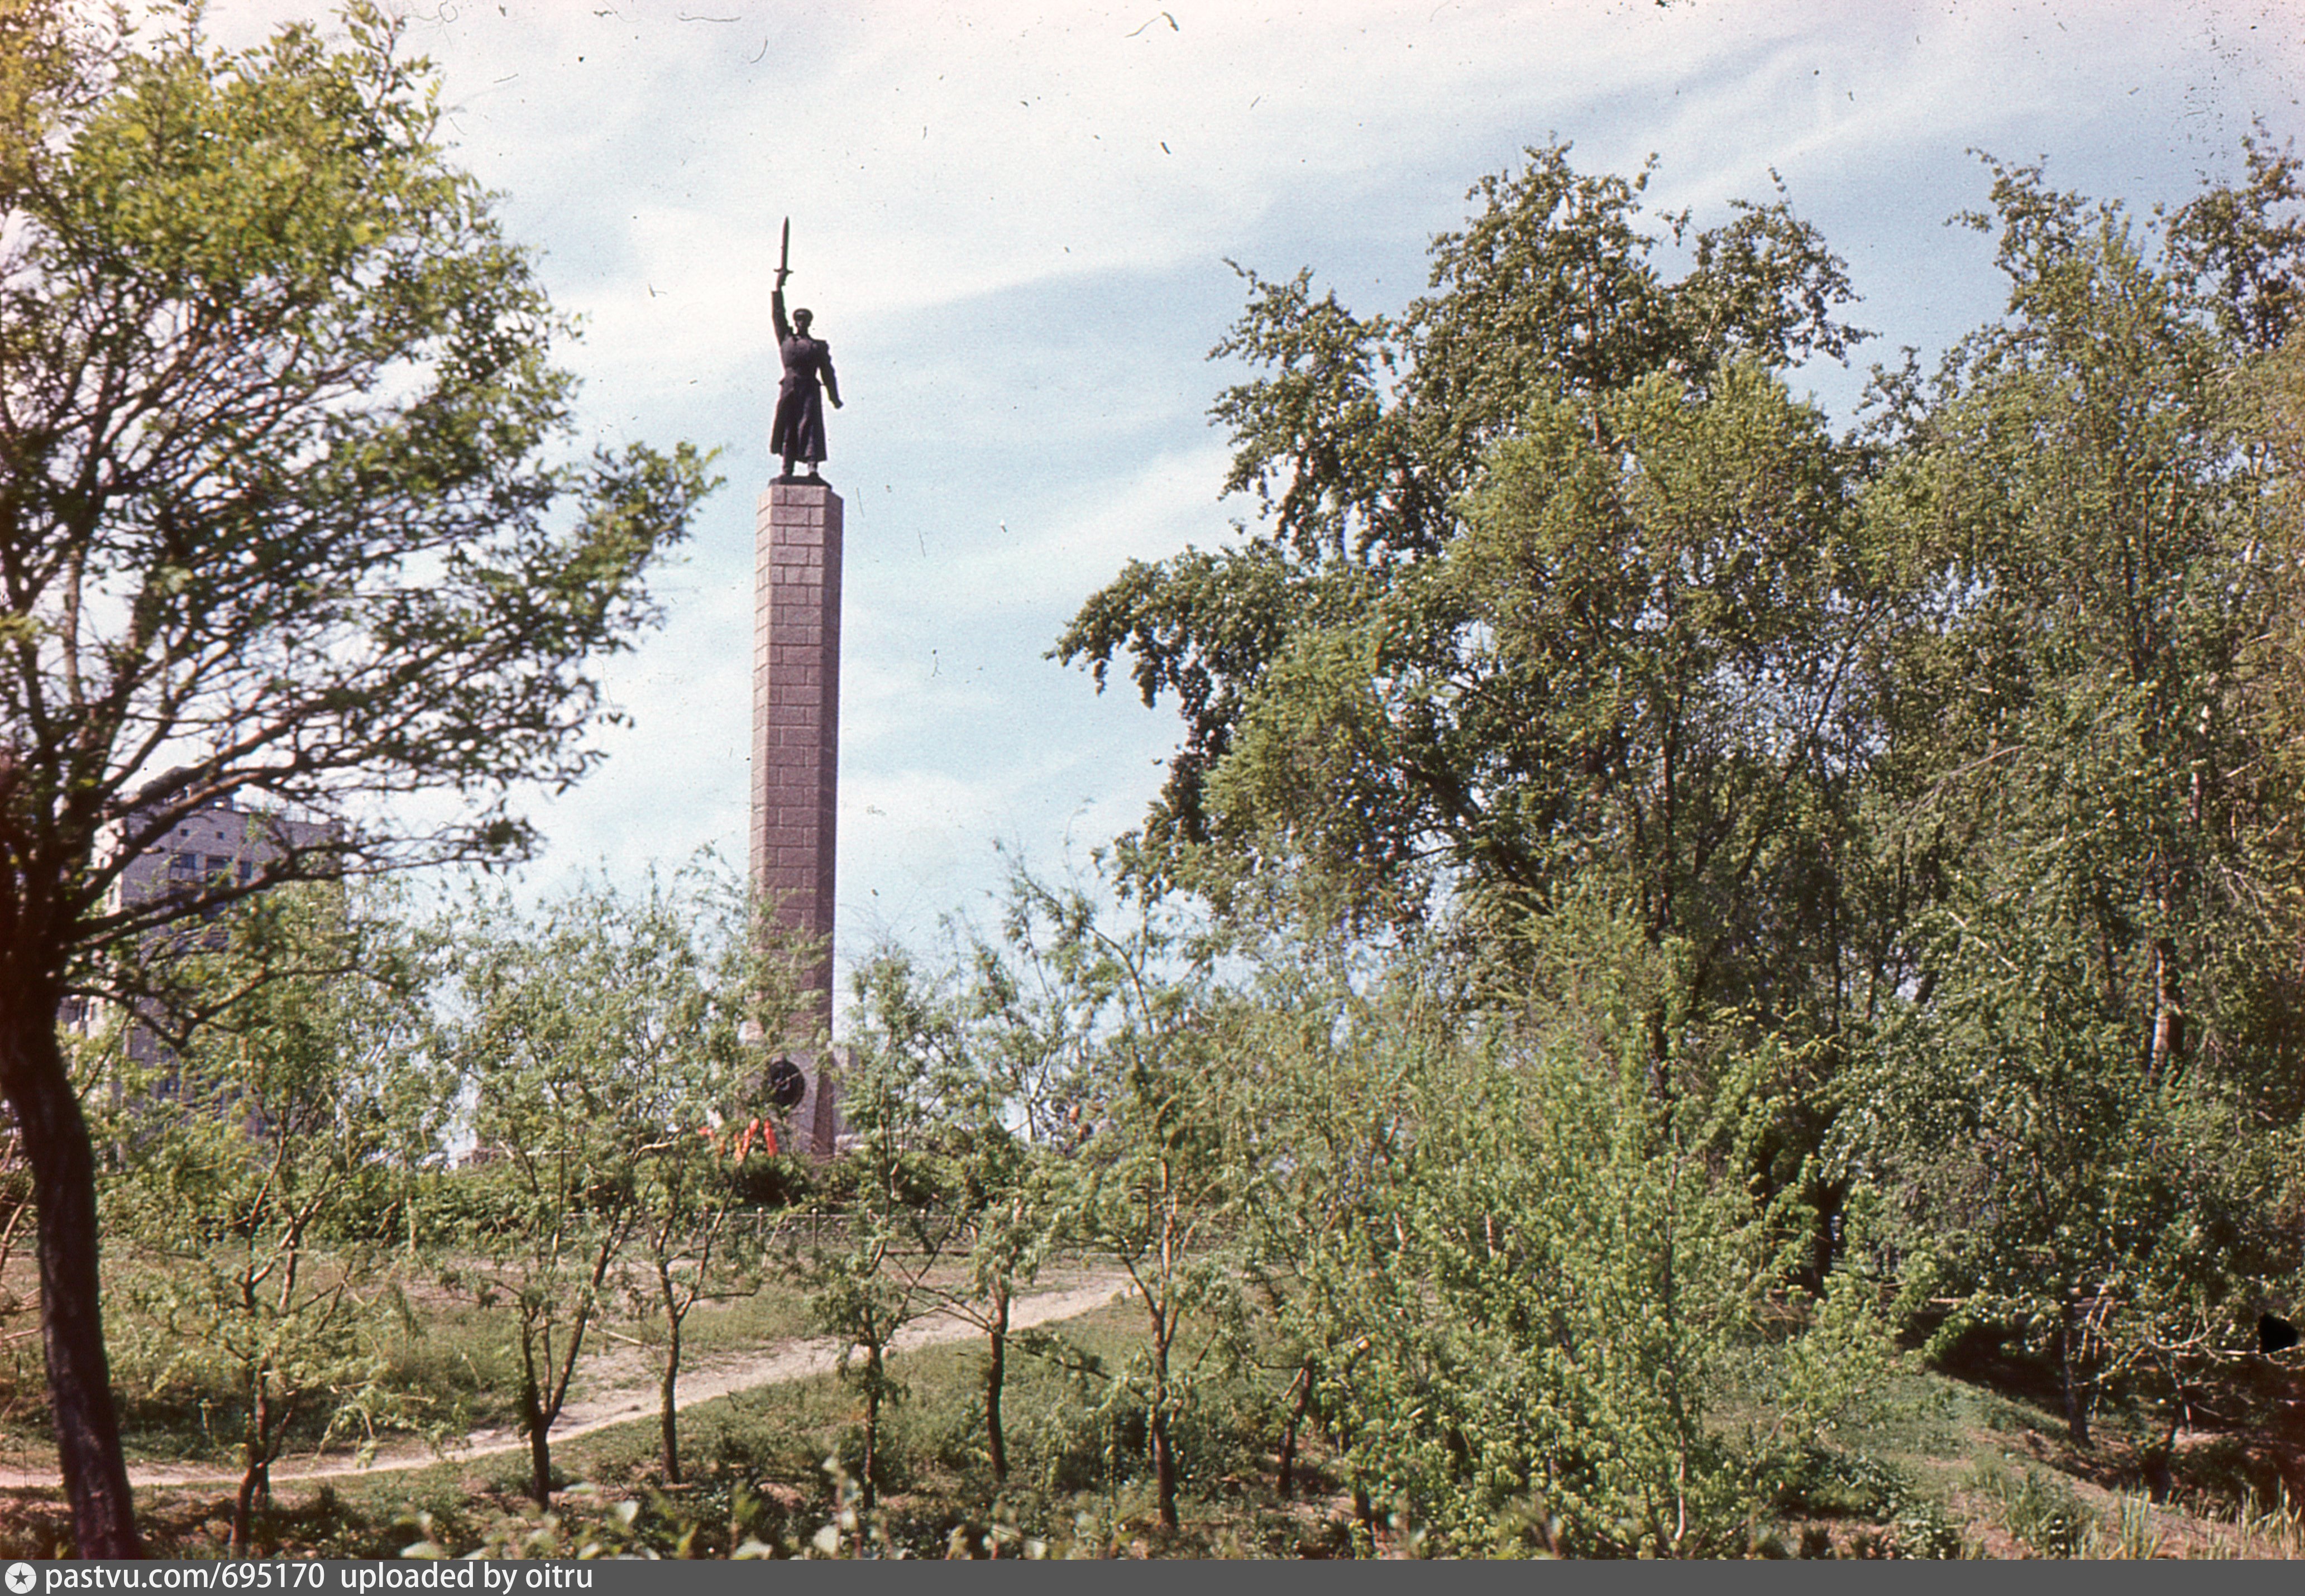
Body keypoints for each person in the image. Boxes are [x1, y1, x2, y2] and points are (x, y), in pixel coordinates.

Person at [770, 266, 841, 481]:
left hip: (810, 387)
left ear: (809, 323)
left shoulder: (818, 346)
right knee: (789, 426)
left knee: (810, 426)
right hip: (790, 387)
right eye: (798, 319)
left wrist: (834, 397)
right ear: (795, 322)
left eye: (805, 320)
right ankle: (787, 468)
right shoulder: (786, 339)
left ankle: (813, 468)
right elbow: (777, 314)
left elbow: (828, 373)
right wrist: (778, 286)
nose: (801, 323)